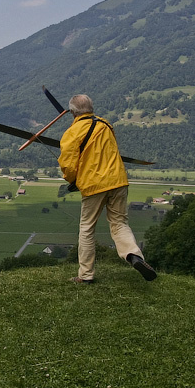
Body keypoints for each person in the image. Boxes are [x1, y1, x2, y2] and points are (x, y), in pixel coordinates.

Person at [58, 94, 156, 284]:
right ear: (91, 108)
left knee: (87, 228)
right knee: (119, 223)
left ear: (72, 112)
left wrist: (72, 180)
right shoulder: (105, 125)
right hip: (118, 181)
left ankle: (85, 275)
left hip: (94, 185)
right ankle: (134, 256)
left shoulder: (73, 131)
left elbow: (68, 165)